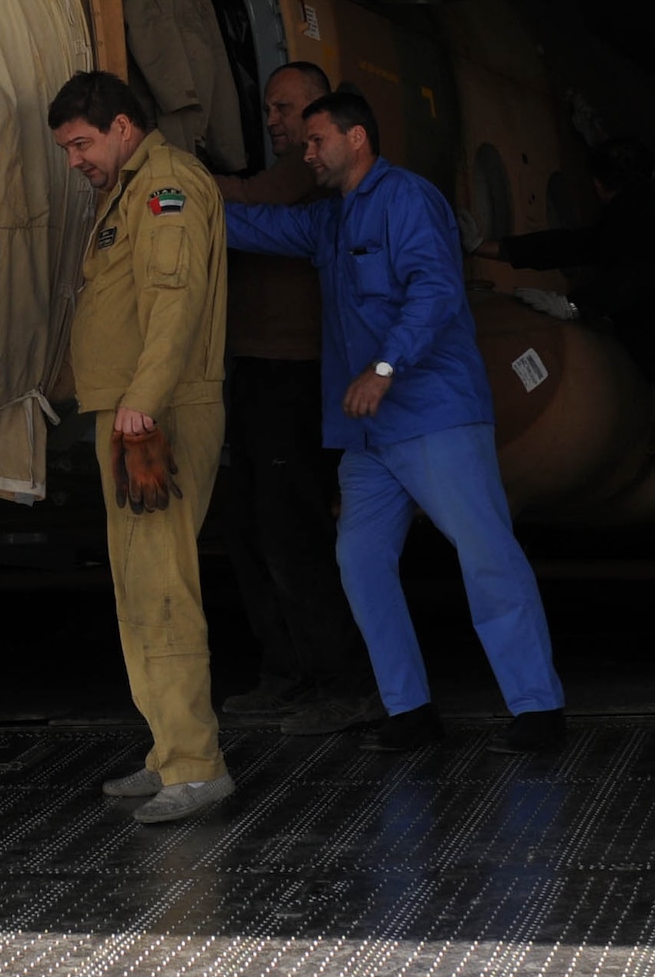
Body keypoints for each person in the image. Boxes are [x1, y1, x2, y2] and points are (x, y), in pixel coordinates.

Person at [224, 91, 566, 754]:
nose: (306, 151)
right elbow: (256, 225)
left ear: (357, 139)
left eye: (316, 139)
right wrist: (169, 200)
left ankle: (538, 707)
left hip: (432, 413)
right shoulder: (330, 220)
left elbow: (435, 290)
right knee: (359, 559)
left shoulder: (409, 200)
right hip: (370, 434)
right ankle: (409, 709)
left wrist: (384, 366)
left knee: (487, 556)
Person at [50, 70, 234, 824]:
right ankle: (168, 752)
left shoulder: (165, 190)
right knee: (138, 588)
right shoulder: (129, 192)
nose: (75, 160)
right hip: (129, 411)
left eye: (82, 143)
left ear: (124, 126)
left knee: (162, 586)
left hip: (156, 414)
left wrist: (140, 405)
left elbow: (174, 303)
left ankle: (196, 764)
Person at [214, 62, 381, 734]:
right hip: (256, 369)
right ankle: (288, 671)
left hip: (296, 373)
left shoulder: (301, 178)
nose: (279, 124)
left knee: (292, 531)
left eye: (289, 109)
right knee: (251, 525)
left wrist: (164, 183)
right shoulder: (293, 190)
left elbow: (248, 203)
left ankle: (339, 679)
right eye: (273, 111)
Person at [462, 137, 655, 380]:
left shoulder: (636, 217)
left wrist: (575, 306)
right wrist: (490, 247)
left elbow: (636, 276)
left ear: (599, 184)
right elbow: (572, 246)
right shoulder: (631, 218)